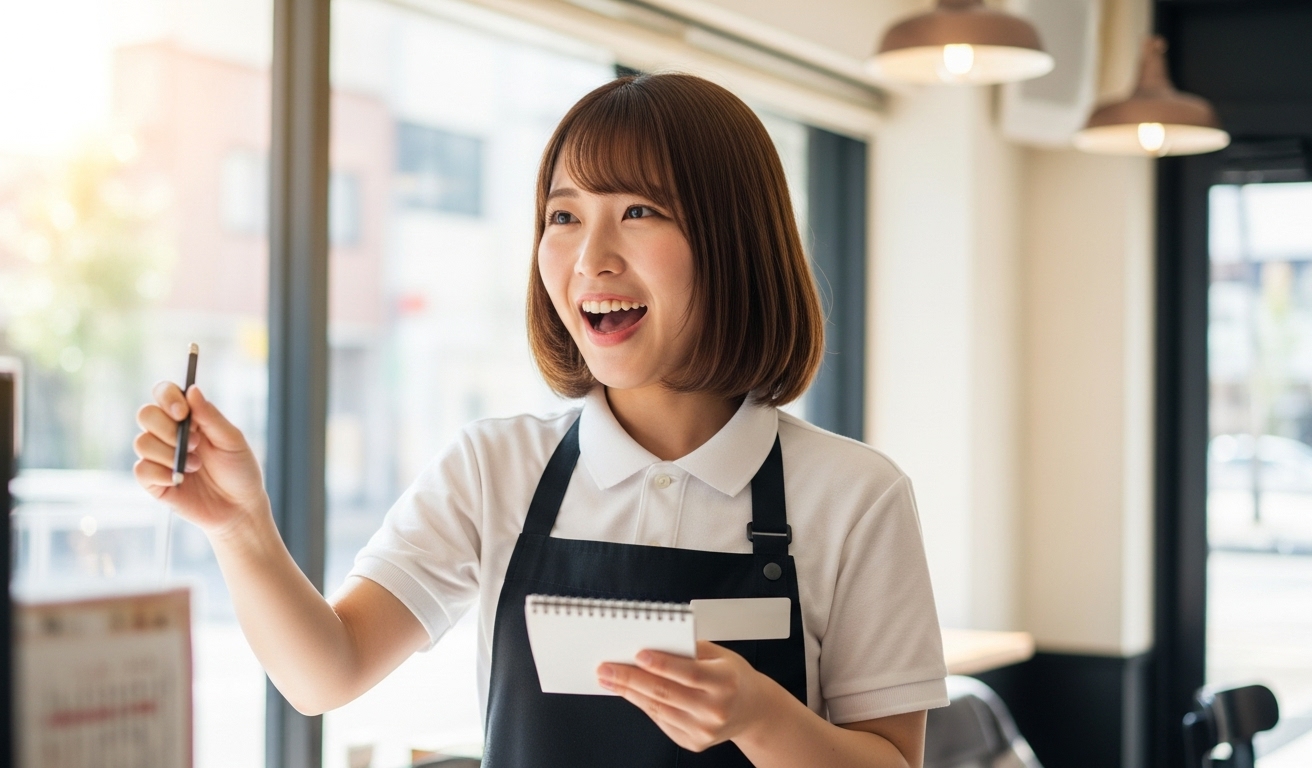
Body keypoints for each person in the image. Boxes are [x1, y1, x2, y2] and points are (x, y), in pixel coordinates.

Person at [133, 72, 947, 767]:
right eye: (564, 216)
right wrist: (240, 526)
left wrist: (763, 719)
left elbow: (893, 758)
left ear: (735, 239)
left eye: (639, 212)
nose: (591, 256)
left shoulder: (856, 497)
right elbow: (326, 673)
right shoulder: (494, 469)